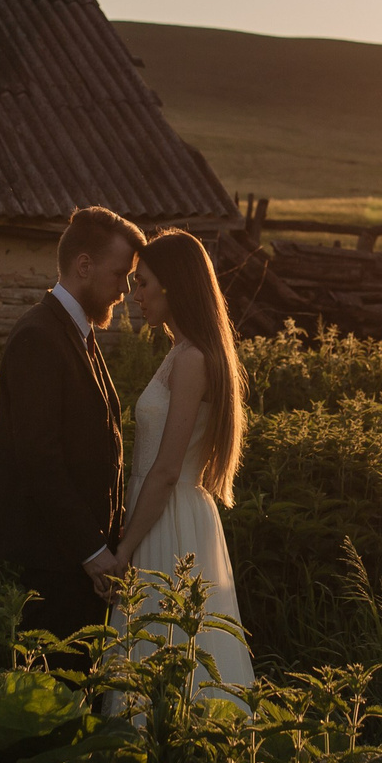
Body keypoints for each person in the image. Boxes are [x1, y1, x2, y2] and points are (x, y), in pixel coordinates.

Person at [0, 206, 145, 643]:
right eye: (119, 274)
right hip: (53, 560)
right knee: (53, 692)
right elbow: (39, 458)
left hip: (80, 559)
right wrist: (92, 552)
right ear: (84, 265)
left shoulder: (77, 333)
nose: (124, 290)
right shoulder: (39, 336)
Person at [105, 227, 254, 701]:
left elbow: (167, 469)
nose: (135, 295)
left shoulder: (191, 360)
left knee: (166, 653)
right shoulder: (180, 353)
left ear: (172, 285)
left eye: (144, 283)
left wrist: (124, 548)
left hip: (168, 519)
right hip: (164, 511)